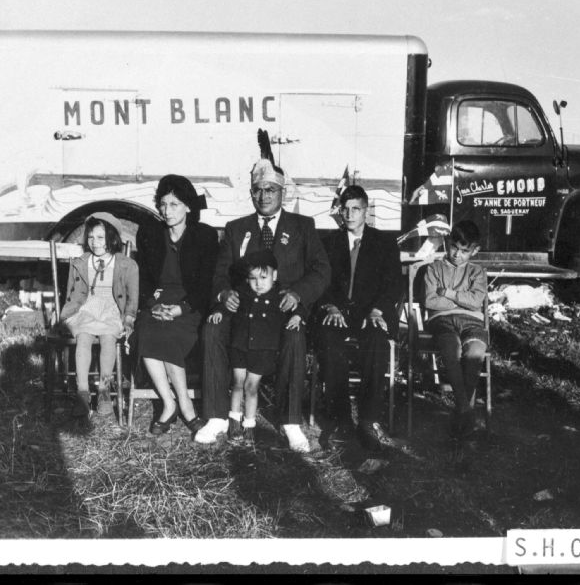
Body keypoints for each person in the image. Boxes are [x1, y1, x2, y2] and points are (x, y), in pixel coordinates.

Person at [195, 132, 330, 451]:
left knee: (295, 336)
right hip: (242, 311)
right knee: (212, 329)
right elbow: (220, 274)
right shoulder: (236, 229)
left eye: (270, 190)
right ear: (251, 193)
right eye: (258, 190)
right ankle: (217, 416)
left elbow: (321, 270)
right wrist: (223, 295)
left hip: (282, 310)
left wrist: (297, 295)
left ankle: (290, 421)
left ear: (283, 192)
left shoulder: (302, 227)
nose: (264, 195)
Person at [316, 185, 402, 449]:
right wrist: (330, 306)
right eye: (345, 209)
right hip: (339, 313)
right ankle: (340, 420)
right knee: (329, 340)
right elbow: (319, 281)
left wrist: (377, 310)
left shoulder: (384, 242)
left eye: (356, 209)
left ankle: (368, 420)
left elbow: (393, 284)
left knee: (376, 340)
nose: (350, 214)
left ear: (366, 211)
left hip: (371, 313)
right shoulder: (328, 242)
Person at [134, 174, 218, 436]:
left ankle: (185, 403)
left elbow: (206, 284)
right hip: (158, 300)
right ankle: (169, 403)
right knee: (147, 330)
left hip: (190, 303)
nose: (166, 211)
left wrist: (182, 308)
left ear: (188, 207)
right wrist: (152, 305)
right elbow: (144, 278)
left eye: (174, 204)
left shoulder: (204, 236)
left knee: (170, 333)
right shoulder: (150, 234)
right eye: (163, 204)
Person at [208, 250, 306, 445]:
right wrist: (219, 311)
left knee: (251, 387)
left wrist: (297, 316)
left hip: (262, 349)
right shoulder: (242, 292)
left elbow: (299, 307)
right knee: (237, 383)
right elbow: (227, 306)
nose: (258, 283)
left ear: (274, 276)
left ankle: (249, 424)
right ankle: (234, 420)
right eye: (253, 278)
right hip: (240, 345)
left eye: (263, 277)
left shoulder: (280, 296)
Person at [59, 212, 139, 418]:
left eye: (101, 237)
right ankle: (83, 392)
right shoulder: (81, 262)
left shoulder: (127, 264)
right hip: (86, 308)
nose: (95, 242)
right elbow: (71, 294)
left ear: (112, 238)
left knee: (108, 338)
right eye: (91, 237)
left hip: (112, 309)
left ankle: (104, 390)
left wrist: (129, 319)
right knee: (83, 338)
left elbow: (132, 299)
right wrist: (67, 314)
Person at [422, 219, 488, 438]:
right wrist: (461, 301)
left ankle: (461, 410)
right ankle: (466, 410)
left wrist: (449, 294)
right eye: (453, 247)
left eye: (464, 251)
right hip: (442, 320)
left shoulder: (477, 271)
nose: (457, 254)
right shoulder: (434, 268)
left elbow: (476, 301)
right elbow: (431, 301)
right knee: (451, 349)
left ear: (475, 251)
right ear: (447, 243)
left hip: (472, 321)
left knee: (475, 352)